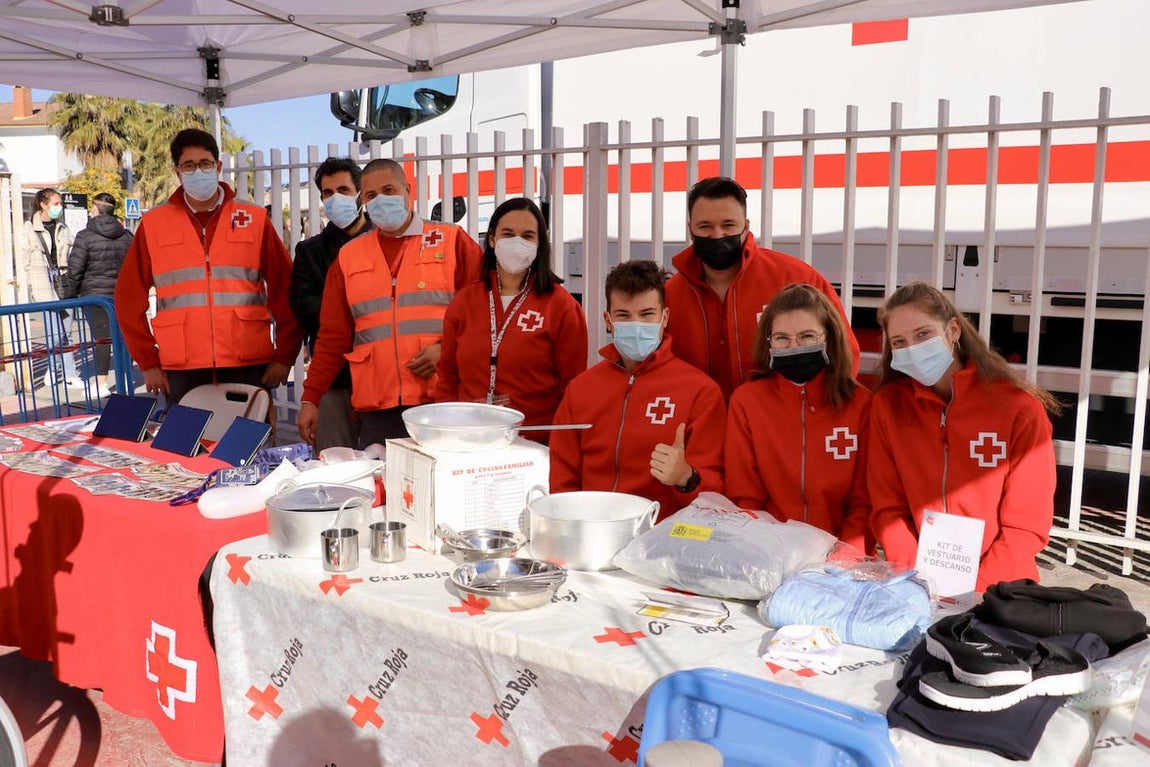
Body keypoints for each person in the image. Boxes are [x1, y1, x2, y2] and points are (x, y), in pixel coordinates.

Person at [867, 281, 1061, 591]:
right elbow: (887, 508)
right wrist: (915, 578)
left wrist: (978, 589)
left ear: (953, 330)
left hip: (1001, 588)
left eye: (923, 334)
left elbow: (1026, 524)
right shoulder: (888, 407)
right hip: (917, 584)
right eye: (899, 342)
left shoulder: (1019, 408)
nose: (913, 349)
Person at [297, 158, 483, 448]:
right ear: (363, 201)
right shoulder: (349, 256)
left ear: (408, 190)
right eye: (371, 195)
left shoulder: (452, 241)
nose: (381, 200)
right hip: (377, 408)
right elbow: (332, 337)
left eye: (389, 190)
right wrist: (311, 397)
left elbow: (485, 316)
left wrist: (447, 349)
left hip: (441, 401)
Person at [114, 128, 303, 406]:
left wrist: (284, 356)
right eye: (189, 166)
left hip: (248, 363)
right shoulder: (154, 225)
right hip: (182, 368)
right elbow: (128, 298)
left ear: (218, 167)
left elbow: (286, 290)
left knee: (248, 447)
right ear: (178, 173)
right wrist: (148, 361)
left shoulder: (253, 219)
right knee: (186, 448)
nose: (198, 171)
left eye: (204, 164)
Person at [550, 260, 725, 520]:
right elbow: (562, 473)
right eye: (623, 315)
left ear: (664, 317)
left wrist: (686, 477)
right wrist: (568, 523)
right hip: (590, 533)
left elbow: (717, 491)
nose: (636, 324)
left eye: (646, 314)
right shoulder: (581, 389)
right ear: (608, 320)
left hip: (662, 542)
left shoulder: (700, 391)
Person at [665, 177, 860, 399]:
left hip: (781, 425)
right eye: (705, 226)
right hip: (703, 427)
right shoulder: (671, 295)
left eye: (728, 225)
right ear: (690, 229)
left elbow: (844, 352)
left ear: (746, 226)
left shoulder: (796, 278)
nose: (717, 235)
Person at [725, 284, 872, 551]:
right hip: (768, 551)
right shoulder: (747, 402)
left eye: (807, 337)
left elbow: (864, 501)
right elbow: (745, 497)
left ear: (829, 337)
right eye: (782, 338)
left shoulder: (861, 404)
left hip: (844, 557)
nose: (794, 347)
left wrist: (845, 558)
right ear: (768, 343)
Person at [434, 198, 588, 435]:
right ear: (493, 239)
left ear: (539, 243)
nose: (517, 242)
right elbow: (448, 376)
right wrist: (443, 429)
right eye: (508, 234)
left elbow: (572, 385)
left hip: (535, 442)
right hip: (468, 438)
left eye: (527, 236)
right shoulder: (465, 302)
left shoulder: (561, 307)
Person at [289, 158, 373, 453]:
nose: (335, 198)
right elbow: (302, 305)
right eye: (327, 192)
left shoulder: (382, 242)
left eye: (343, 189)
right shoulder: (309, 251)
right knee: (336, 462)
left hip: (380, 375)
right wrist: (349, 312)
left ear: (360, 194)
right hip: (334, 378)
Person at [60, 191, 133, 394]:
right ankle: (125, 382)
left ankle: (100, 385)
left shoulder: (85, 236)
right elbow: (136, 266)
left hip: (94, 296)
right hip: (122, 295)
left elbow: (75, 270)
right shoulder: (127, 236)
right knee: (124, 338)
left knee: (101, 339)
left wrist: (69, 296)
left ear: (95, 209)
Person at [21, 187, 80, 387]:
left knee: (68, 332)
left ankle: (71, 375)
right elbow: (24, 259)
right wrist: (31, 282)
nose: (59, 207)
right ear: (43, 205)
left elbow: (72, 252)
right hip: (44, 286)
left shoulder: (62, 227)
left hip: (64, 283)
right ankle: (54, 371)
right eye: (55, 204)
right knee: (54, 334)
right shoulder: (29, 228)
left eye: (60, 204)